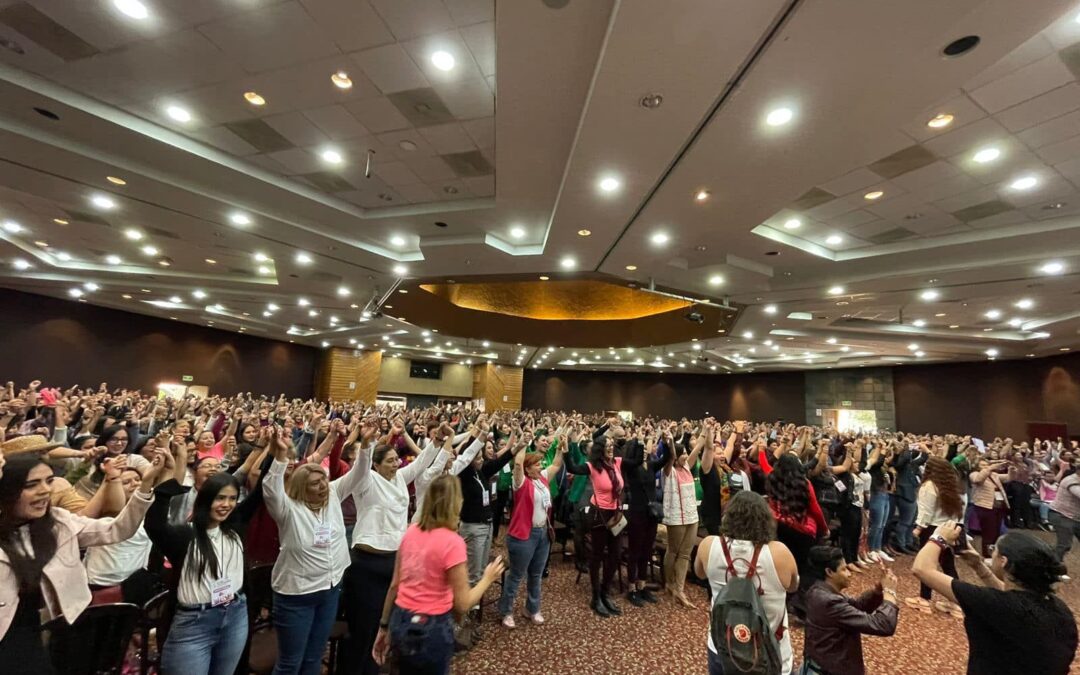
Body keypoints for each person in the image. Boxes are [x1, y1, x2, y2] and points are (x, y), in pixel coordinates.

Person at [0, 450, 161, 673]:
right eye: (31, 485)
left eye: (49, 481)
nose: (45, 490)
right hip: (9, 635)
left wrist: (146, 484)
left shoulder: (59, 521)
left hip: (62, 627)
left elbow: (116, 529)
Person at [263, 422, 371, 675]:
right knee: (291, 662)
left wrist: (366, 445)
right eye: (314, 483)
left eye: (323, 480)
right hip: (297, 595)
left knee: (313, 657)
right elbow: (270, 490)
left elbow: (358, 475)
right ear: (302, 487)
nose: (322, 486)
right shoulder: (288, 509)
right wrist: (279, 457)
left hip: (330, 589)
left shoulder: (333, 494)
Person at [341, 420, 447, 675]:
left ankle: (381, 667)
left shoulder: (400, 477)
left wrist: (438, 442)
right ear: (376, 464)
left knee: (391, 624)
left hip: (397, 561)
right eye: (389, 460)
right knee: (365, 628)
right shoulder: (365, 481)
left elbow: (421, 464)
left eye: (395, 459)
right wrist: (366, 443)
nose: (396, 463)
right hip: (367, 563)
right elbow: (362, 465)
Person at [371, 474, 506, 674]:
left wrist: (383, 627)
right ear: (456, 503)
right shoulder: (452, 542)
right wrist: (488, 578)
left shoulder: (411, 531)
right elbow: (462, 604)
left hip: (401, 618)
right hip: (431, 627)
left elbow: (394, 585)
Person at [144, 458, 265, 675]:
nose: (226, 504)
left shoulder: (235, 528)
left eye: (232, 499)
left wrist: (276, 453)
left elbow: (261, 491)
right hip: (194, 623)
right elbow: (154, 525)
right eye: (220, 498)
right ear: (206, 499)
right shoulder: (185, 535)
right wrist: (166, 483)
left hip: (235, 614)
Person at [914, 522, 1077, 674]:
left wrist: (938, 538)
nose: (992, 552)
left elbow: (922, 569)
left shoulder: (994, 603)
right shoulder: (1057, 606)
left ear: (1003, 561)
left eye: (994, 550)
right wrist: (978, 566)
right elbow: (1009, 596)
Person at [694, 490, 799, 675]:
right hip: (770, 653)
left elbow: (699, 574)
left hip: (723, 647)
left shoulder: (708, 545)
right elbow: (793, 586)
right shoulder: (779, 553)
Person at [498, 433, 565, 628]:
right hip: (523, 535)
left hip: (542, 534)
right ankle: (506, 611)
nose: (541, 466)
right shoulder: (520, 482)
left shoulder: (542, 480)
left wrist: (560, 448)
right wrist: (523, 444)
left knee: (535, 574)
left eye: (541, 464)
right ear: (528, 468)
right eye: (537, 464)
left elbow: (556, 465)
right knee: (517, 575)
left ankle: (532, 609)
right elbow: (518, 464)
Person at [801, 546, 899, 675]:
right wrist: (890, 592)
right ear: (829, 572)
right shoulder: (828, 601)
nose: (849, 573)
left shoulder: (819, 590)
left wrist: (878, 590)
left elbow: (857, 606)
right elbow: (884, 625)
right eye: (844, 569)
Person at [908, 456, 965, 616]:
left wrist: (918, 529)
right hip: (948, 528)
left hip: (931, 529)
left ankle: (924, 599)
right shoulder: (952, 486)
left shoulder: (929, 486)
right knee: (949, 567)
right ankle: (956, 602)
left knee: (926, 565)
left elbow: (926, 512)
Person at [660, 425, 703, 609]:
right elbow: (670, 456)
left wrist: (706, 430)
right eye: (682, 453)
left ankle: (680, 588)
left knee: (685, 554)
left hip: (692, 516)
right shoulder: (668, 472)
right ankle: (669, 583)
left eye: (686, 452)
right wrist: (669, 440)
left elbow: (698, 446)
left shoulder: (686, 468)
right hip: (676, 517)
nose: (686, 455)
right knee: (673, 551)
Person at [970, 454, 1011, 558]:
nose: (985, 467)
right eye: (982, 465)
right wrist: (990, 468)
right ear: (977, 467)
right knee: (988, 533)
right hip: (984, 507)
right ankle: (986, 555)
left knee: (996, 532)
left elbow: (1008, 478)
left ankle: (993, 553)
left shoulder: (994, 475)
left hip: (997, 506)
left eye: (986, 465)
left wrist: (1011, 470)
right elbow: (978, 479)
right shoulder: (974, 474)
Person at [1048, 457, 1080, 563]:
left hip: (1075, 517)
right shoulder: (1070, 480)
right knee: (1064, 544)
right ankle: (1054, 568)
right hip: (1061, 515)